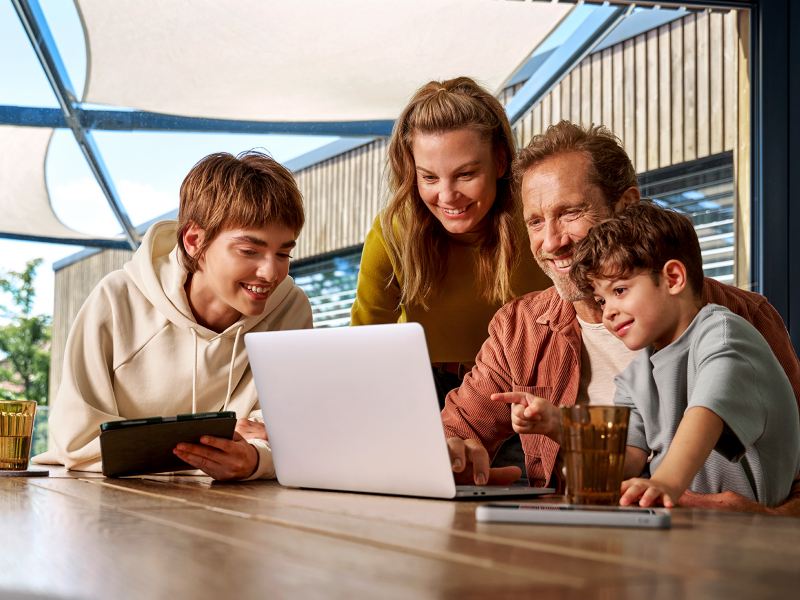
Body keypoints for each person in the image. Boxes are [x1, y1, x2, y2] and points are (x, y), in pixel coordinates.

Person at [441, 120, 800, 513]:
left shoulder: (735, 323)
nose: (551, 242)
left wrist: (764, 518)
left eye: (571, 212)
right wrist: (456, 454)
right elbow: (623, 450)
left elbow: (707, 412)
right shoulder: (520, 328)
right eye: (536, 221)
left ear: (627, 206)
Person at [34, 151, 313, 480]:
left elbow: (295, 436)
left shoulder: (290, 309)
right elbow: (77, 440)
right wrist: (204, 453)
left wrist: (253, 460)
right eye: (249, 251)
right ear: (195, 241)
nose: (270, 272)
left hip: (234, 508)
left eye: (283, 253)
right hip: (105, 502)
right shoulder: (116, 300)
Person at [569, 201, 800, 507]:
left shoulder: (725, 336)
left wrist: (665, 482)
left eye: (620, 291)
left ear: (673, 278)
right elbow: (627, 459)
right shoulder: (636, 375)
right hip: (677, 521)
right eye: (601, 300)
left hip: (746, 532)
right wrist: (558, 427)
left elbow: (706, 412)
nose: (608, 312)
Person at [350, 77, 550, 405]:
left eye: (465, 174)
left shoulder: (536, 219)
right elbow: (364, 346)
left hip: (524, 386)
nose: (447, 196)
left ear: (500, 161)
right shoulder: (394, 230)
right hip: (422, 389)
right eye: (428, 177)